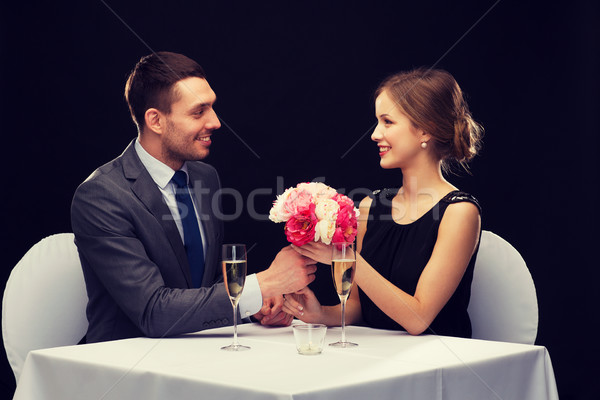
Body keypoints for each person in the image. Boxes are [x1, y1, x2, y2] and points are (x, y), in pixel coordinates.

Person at [71, 51, 317, 343]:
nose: (215, 122)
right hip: (122, 364)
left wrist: (253, 307)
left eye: (212, 108)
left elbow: (205, 285)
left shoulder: (205, 177)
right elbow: (153, 312)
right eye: (198, 112)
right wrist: (265, 283)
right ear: (156, 121)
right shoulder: (100, 196)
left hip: (196, 353)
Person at [284, 68, 483, 338]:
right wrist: (320, 314)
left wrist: (346, 257)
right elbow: (357, 307)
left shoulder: (459, 212)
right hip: (380, 354)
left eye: (387, 122)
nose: (375, 134)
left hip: (437, 363)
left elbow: (418, 319)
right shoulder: (370, 207)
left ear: (425, 130)